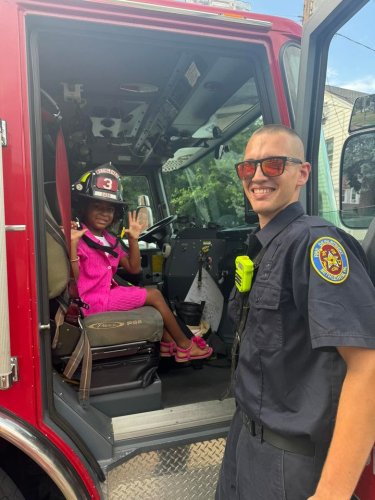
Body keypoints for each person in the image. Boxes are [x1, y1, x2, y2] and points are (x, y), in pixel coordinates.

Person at [216, 124, 375, 499]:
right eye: (247, 167)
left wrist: (331, 494)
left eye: (273, 164)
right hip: (246, 439)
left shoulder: (316, 244)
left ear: (302, 173)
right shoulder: (267, 246)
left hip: (289, 464)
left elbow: (367, 366)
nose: (257, 176)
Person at [70, 165, 213, 363]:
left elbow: (134, 268)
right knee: (154, 294)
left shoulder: (109, 240)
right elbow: (74, 280)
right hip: (94, 301)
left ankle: (166, 344)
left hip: (108, 293)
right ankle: (185, 346)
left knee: (152, 293)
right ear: (84, 208)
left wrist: (134, 239)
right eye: (97, 207)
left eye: (109, 209)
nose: (104, 213)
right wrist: (72, 247)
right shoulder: (78, 237)